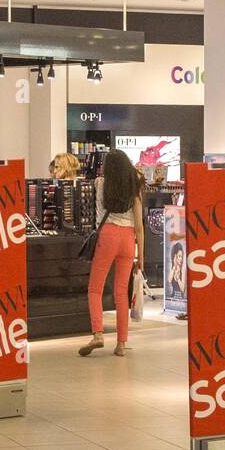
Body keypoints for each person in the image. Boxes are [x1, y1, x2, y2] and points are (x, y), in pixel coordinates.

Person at [80, 148, 145, 358]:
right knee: (121, 293)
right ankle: (121, 344)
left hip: (107, 235)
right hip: (128, 240)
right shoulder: (134, 188)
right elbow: (139, 226)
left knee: (95, 289)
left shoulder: (100, 183)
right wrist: (140, 256)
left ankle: (98, 334)